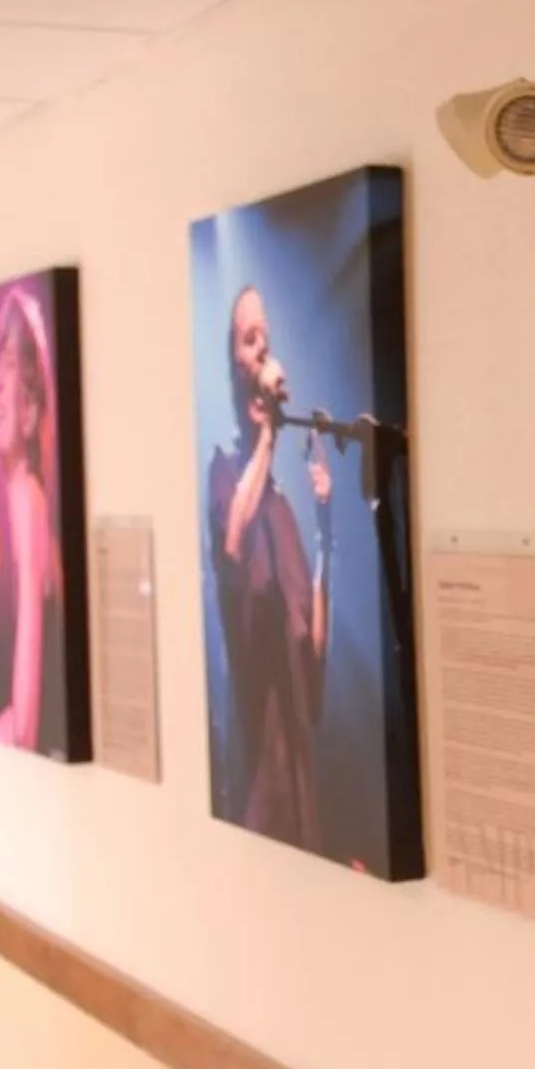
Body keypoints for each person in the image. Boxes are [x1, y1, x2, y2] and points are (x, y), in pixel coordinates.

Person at [206, 283, 332, 846]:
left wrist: (327, 534)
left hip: (302, 782)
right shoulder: (225, 474)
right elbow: (233, 545)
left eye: (267, 339)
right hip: (258, 793)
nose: (261, 351)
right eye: (248, 338)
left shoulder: (279, 506)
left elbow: (313, 648)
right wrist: (266, 441)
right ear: (232, 362)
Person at [0, 289, 63, 753]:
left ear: (33, 409)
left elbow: (25, 727)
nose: (0, 387)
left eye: (12, 367)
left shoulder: (30, 504)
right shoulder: (4, 501)